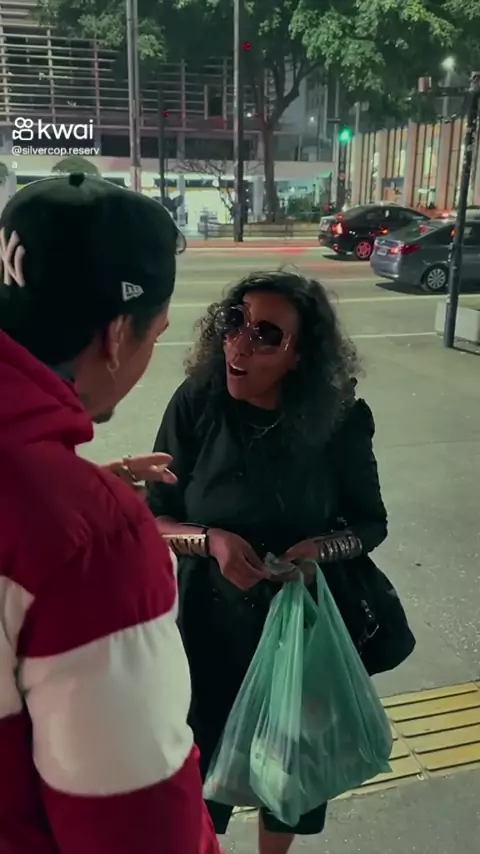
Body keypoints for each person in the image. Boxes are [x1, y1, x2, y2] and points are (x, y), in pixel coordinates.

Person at [0, 174, 220, 854]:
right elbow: (140, 830)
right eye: (156, 335)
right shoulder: (92, 542)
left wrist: (71, 480)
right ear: (119, 334)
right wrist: (79, 502)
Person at [146, 271, 388, 854]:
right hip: (206, 633)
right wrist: (211, 542)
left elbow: (370, 524)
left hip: (297, 637)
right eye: (234, 323)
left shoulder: (339, 420)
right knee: (199, 774)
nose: (239, 344)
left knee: (287, 773)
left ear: (300, 355)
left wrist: (317, 552)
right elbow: (154, 520)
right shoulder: (198, 403)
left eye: (267, 335)